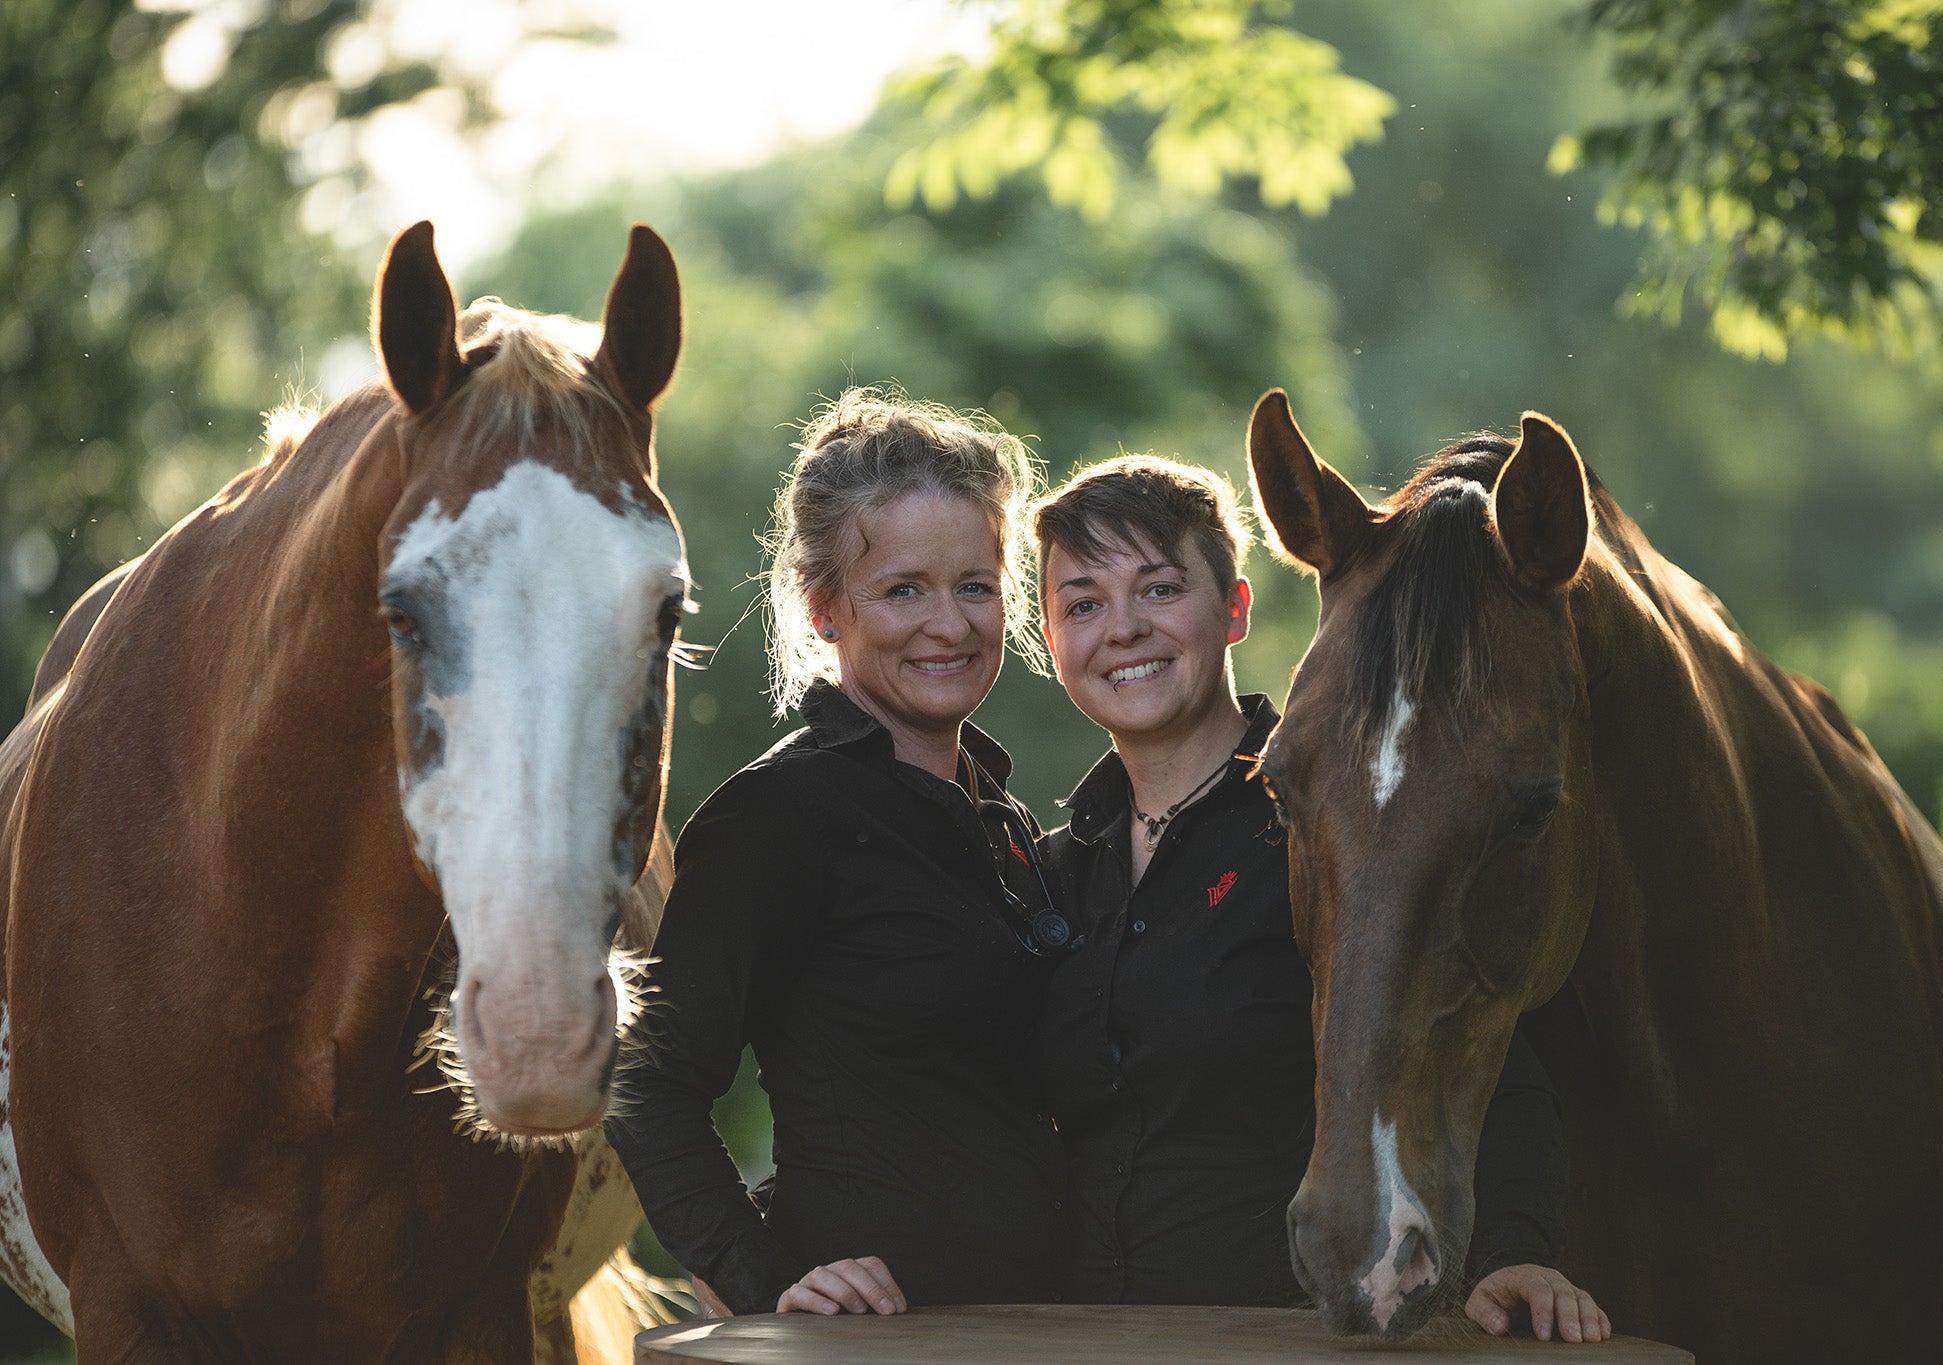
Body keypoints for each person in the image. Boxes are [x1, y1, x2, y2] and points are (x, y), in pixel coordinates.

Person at [1029, 454, 1613, 1343]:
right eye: (1082, 603)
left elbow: (1495, 1049)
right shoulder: (1054, 868)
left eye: (1158, 588)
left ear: (1234, 609)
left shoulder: (1338, 835)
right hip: (1062, 1340)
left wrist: (1512, 1248)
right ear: (1050, 636)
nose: (1123, 628)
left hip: (1280, 1332)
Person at [607, 389, 1067, 1317]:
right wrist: (768, 1284)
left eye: (975, 585)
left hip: (1047, 1325)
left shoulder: (995, 813)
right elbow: (645, 1083)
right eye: (903, 589)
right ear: (824, 610)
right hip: (877, 1342)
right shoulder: (776, 816)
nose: (949, 624)